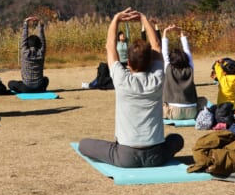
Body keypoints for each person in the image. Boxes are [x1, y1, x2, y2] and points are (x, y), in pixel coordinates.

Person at [78, 9, 184, 167]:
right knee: (177, 139)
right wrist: (143, 18)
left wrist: (115, 19)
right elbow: (156, 46)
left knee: (83, 144)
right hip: (155, 155)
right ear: (150, 62)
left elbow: (110, 47)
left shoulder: (122, 79)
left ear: (128, 63)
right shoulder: (157, 77)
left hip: (126, 156)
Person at [161, 25, 204, 120]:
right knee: (203, 100)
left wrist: (165, 32)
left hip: (173, 112)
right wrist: (181, 33)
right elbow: (187, 51)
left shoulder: (168, 69)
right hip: (192, 112)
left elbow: (164, 52)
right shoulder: (190, 68)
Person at [8, 16, 48, 93]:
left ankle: (23, 89)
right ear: (39, 44)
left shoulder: (25, 52)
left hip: (26, 87)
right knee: (46, 79)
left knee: (10, 83)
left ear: (28, 44)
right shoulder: (41, 53)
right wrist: (40, 24)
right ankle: (39, 89)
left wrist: (26, 23)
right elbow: (43, 40)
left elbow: (23, 39)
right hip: (39, 87)